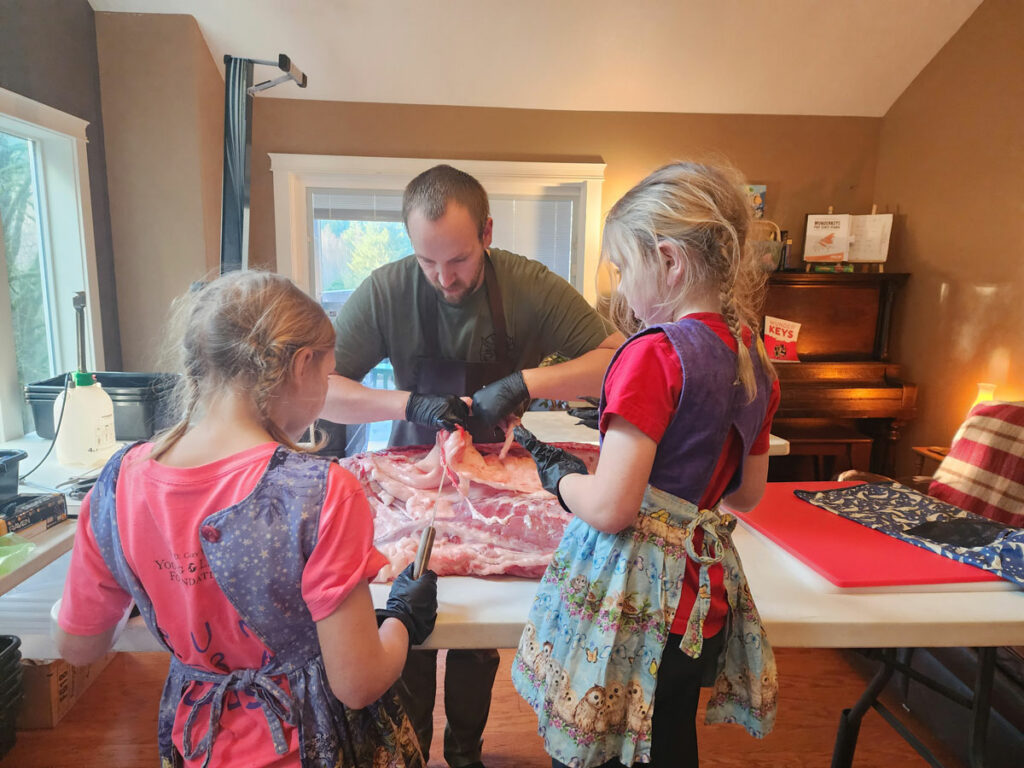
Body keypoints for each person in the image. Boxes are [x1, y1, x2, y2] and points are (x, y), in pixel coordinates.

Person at [55, 271, 438, 768]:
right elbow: (358, 683)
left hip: (197, 741)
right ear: (302, 365)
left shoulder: (116, 484)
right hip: (312, 745)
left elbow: (78, 648)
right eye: (327, 376)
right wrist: (404, 620)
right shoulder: (320, 492)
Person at [319, 164, 625, 768]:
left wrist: (526, 381)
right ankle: (410, 754)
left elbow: (619, 359)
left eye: (456, 260)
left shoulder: (529, 285)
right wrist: (406, 402)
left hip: (499, 475)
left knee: (478, 631)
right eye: (427, 262)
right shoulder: (386, 290)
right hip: (418, 473)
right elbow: (317, 389)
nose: (442, 278)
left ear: (486, 231)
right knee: (409, 612)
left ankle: (465, 754)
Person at [510, 161, 782, 768]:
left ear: (668, 260)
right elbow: (746, 494)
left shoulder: (653, 355)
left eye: (623, 269)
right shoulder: (755, 361)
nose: (621, 290)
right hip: (698, 600)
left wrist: (559, 477)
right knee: (667, 741)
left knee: (601, 745)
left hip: (632, 602)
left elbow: (611, 507)